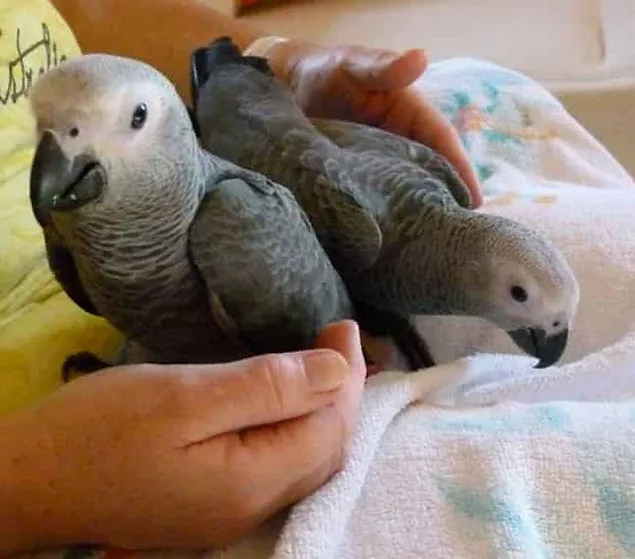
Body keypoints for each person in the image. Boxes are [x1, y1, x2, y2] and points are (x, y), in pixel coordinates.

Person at [0, 0, 482, 555]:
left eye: (134, 120)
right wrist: (34, 488)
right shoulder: (72, 220)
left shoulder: (232, 223)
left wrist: (281, 65)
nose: (69, 141)